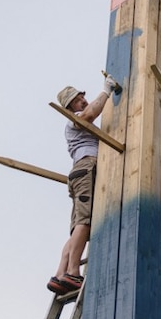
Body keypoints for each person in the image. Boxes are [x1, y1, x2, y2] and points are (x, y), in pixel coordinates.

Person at [47, 74, 118, 294]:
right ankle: (73, 271)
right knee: (85, 222)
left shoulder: (74, 124)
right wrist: (106, 90)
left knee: (79, 225)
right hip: (86, 168)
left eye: (83, 97)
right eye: (79, 100)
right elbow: (89, 114)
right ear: (70, 107)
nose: (84, 101)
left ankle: (60, 274)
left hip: (78, 172)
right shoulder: (75, 118)